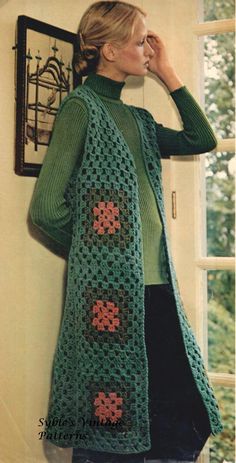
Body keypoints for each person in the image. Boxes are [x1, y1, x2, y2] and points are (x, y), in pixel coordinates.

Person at [29, 1, 223, 462]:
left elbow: (202, 139)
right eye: (140, 42)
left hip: (157, 292)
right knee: (110, 420)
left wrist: (169, 74)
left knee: (181, 416)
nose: (147, 49)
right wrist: (96, 257)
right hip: (107, 300)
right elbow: (46, 209)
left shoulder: (137, 118)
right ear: (110, 50)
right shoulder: (83, 107)